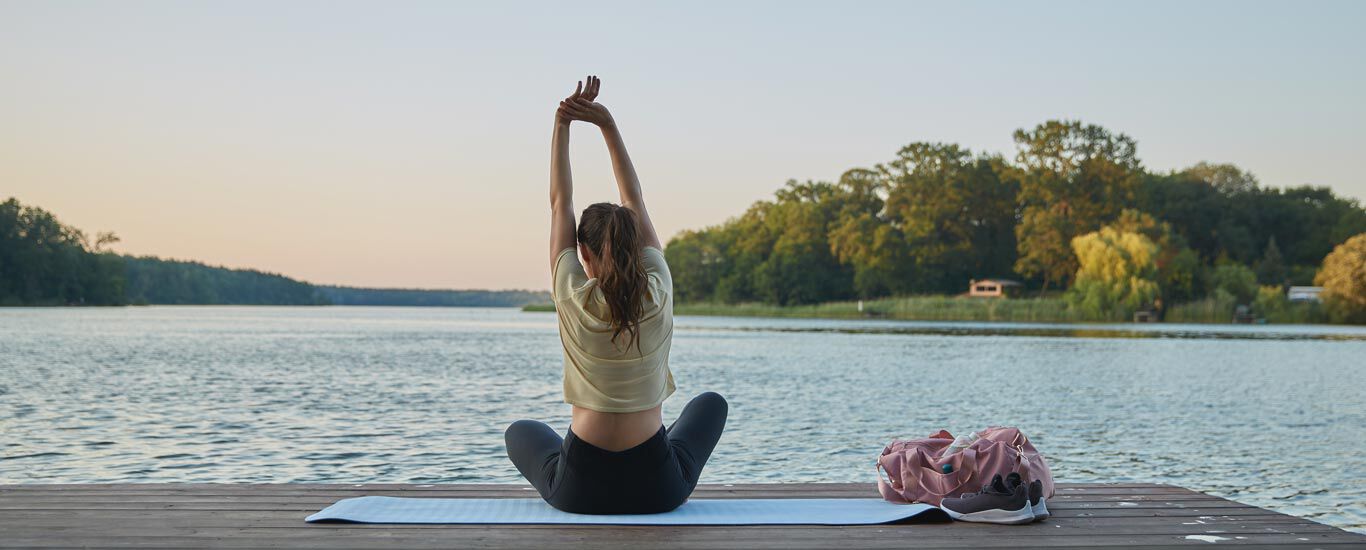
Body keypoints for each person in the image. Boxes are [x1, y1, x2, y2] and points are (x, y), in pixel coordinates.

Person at [504, 75, 728, 515]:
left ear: (581, 253)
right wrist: (607, 126)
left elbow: (558, 205)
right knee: (710, 405)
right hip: (658, 489)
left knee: (521, 430)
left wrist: (562, 123)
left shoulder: (571, 295)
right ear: (636, 249)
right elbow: (634, 197)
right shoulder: (659, 288)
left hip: (578, 491)